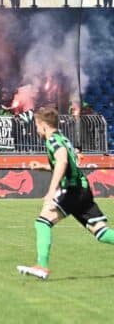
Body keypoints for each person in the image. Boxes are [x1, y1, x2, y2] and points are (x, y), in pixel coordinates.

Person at [18, 106, 114, 280]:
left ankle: (42, 266)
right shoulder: (63, 138)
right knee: (100, 231)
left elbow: (62, 160)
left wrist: (50, 191)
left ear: (43, 126)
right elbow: (68, 162)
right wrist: (43, 166)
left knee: (42, 222)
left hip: (71, 190)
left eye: (37, 126)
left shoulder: (53, 140)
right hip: (82, 189)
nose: (37, 130)